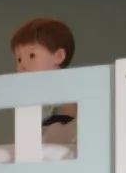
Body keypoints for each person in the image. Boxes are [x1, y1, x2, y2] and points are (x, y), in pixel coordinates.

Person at [11, 17, 78, 145]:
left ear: (58, 56)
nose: (22, 64)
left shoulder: (71, 87)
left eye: (32, 55)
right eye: (19, 59)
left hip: (65, 138)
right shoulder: (28, 94)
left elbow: (70, 117)